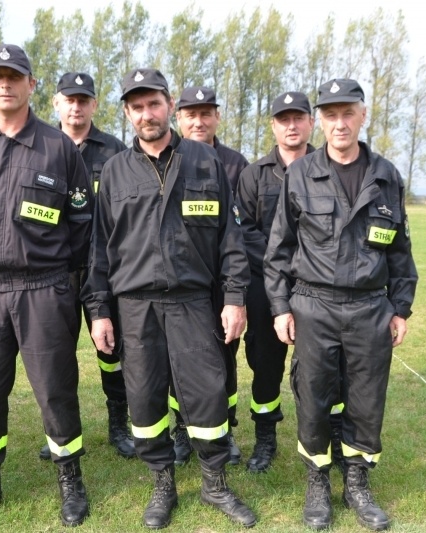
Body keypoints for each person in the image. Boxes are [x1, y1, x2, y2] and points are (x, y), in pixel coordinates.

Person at [83, 68, 256, 529]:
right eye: (137, 107)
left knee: (207, 397)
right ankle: (163, 485)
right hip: (135, 308)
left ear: (169, 107)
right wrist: (99, 310)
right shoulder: (115, 172)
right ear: (127, 113)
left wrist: (235, 297)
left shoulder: (205, 162)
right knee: (144, 403)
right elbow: (100, 248)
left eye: (154, 104)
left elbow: (230, 241)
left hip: (193, 303)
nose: (147, 114)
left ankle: (215, 483)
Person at [0, 44, 94, 530]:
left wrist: (56, 280)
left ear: (32, 85)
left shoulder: (59, 149)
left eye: (15, 75)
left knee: (55, 391)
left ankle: (70, 477)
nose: (5, 83)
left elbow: (81, 224)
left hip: (45, 290)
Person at [264, 78, 418, 531]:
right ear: (321, 121)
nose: (339, 123)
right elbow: (277, 250)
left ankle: (356, 481)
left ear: (363, 115)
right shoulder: (300, 173)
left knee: (367, 400)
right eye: (330, 115)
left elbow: (400, 250)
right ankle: (317, 481)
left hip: (371, 308)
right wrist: (280, 307)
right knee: (313, 397)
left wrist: (401, 307)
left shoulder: (386, 175)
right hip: (314, 305)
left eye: (347, 113)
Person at [35, 71, 133, 461]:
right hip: (53, 271)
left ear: (94, 104)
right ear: (55, 103)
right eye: (68, 99)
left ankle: (118, 425)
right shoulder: (39, 147)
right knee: (55, 357)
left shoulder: (114, 151)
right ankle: (59, 433)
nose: (76, 106)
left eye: (83, 100)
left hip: (104, 270)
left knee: (111, 351)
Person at [235, 91, 321, 473]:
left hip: (319, 287)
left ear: (310, 122)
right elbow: (246, 231)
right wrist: (283, 265)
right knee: (266, 365)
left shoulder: (328, 168)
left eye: (298, 117)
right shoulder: (254, 175)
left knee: (321, 365)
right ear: (273, 125)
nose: (291, 125)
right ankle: (265, 438)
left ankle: (321, 436)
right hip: (266, 287)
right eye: (283, 119)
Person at [173, 85, 250, 466]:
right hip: (182, 285)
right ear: (179, 118)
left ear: (218, 117)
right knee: (177, 360)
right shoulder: (168, 161)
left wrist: (236, 291)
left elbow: (242, 230)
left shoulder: (236, 164)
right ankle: (180, 429)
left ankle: (226, 427)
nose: (199, 121)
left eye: (206, 113)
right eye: (191, 114)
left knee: (223, 359)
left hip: (222, 286)